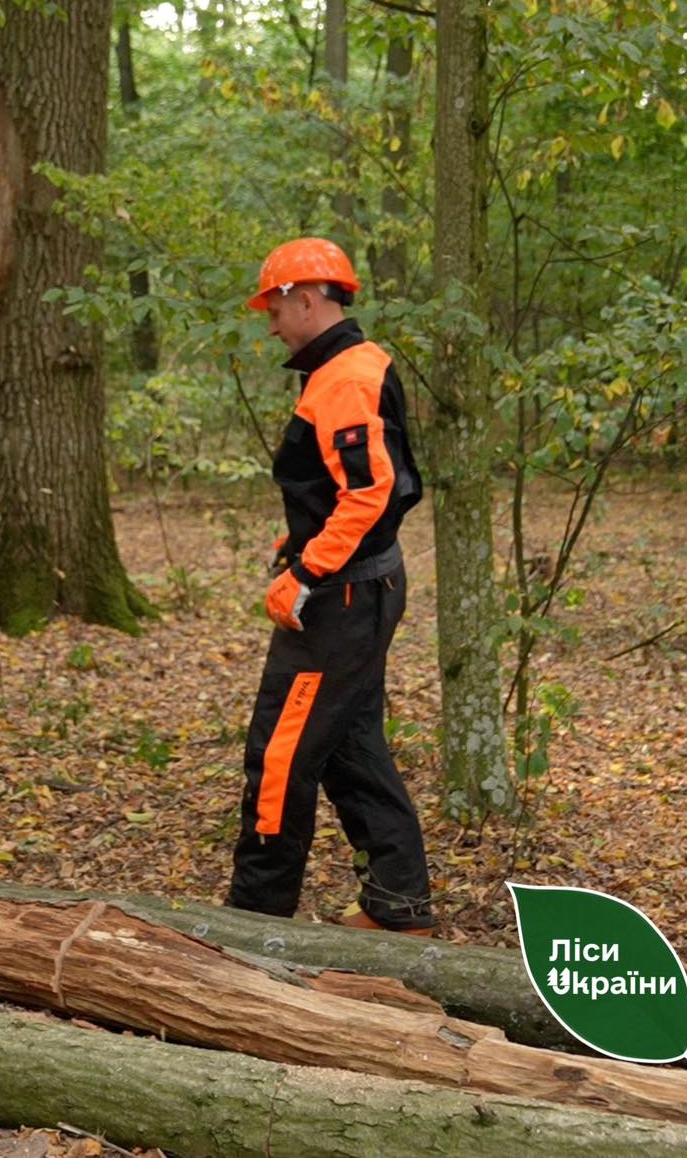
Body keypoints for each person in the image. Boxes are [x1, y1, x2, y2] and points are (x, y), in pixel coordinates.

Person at [227, 238, 436, 935]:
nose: (271, 323)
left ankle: (255, 922)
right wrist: (301, 538)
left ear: (307, 300)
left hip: (341, 598)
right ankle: (399, 905)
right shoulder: (339, 370)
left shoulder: (345, 375)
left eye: (276, 308)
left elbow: (372, 493)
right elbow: (350, 486)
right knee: (350, 748)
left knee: (282, 754)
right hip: (355, 588)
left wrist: (308, 573)